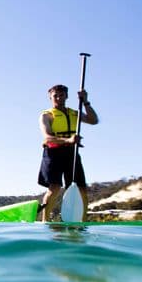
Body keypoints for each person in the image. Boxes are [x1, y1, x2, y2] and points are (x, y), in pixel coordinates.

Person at [38, 84, 99, 221]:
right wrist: (68, 140)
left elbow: (94, 120)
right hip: (53, 152)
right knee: (55, 188)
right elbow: (47, 137)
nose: (59, 98)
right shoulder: (46, 115)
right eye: (55, 96)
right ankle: (45, 221)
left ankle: (82, 222)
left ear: (67, 96)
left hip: (71, 153)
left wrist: (85, 102)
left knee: (81, 189)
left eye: (62, 95)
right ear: (50, 97)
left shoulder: (74, 113)